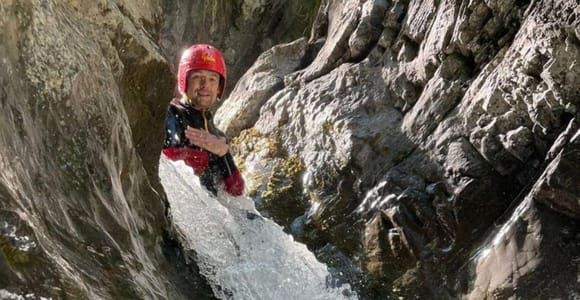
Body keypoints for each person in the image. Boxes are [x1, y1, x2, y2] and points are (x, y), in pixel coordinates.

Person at [162, 44, 244, 196]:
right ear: (184, 81)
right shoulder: (172, 113)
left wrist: (223, 153)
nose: (205, 86)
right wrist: (207, 156)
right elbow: (168, 161)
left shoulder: (217, 135)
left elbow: (236, 191)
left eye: (212, 79)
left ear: (219, 88)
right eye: (197, 77)